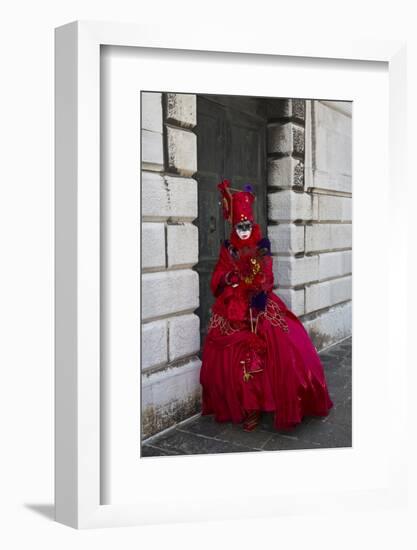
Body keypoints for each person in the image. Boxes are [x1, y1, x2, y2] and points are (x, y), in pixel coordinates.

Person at [199, 179, 334, 432]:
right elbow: (220, 273)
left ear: (252, 224)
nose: (243, 230)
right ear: (233, 226)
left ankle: (269, 402)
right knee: (231, 355)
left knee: (283, 343)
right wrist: (229, 279)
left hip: (259, 303)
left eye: (247, 225)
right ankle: (245, 406)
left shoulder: (262, 246)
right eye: (239, 226)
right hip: (232, 306)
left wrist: (258, 288)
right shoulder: (228, 247)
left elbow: (267, 274)